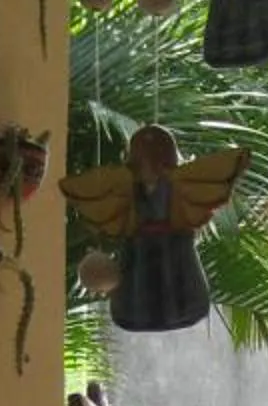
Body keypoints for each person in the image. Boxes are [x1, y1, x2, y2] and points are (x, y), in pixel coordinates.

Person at [60, 125, 249, 336]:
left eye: (155, 161)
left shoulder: (180, 185)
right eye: (143, 162)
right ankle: (137, 311)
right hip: (139, 251)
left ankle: (179, 308)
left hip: (175, 249)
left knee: (176, 286)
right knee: (139, 290)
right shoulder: (127, 188)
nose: (149, 168)